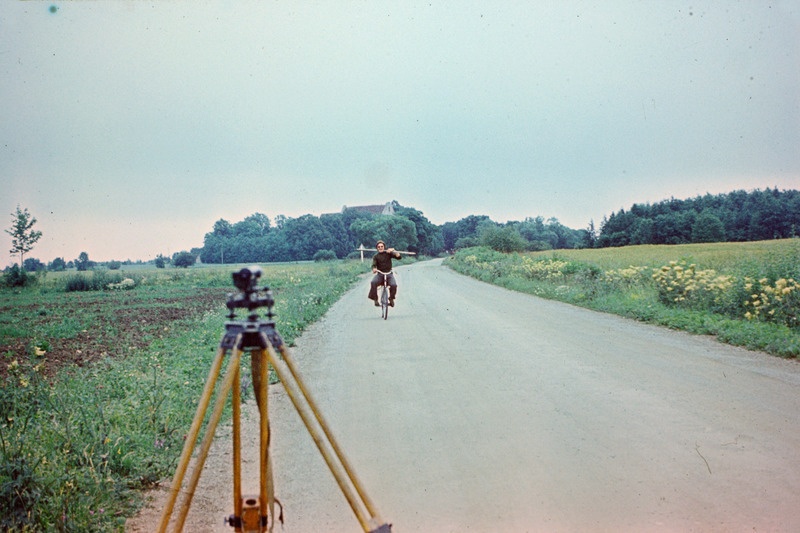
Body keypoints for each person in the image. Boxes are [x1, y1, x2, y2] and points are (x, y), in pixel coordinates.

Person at [368, 240, 401, 306]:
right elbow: (374, 265)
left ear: (384, 247)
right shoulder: (376, 256)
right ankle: (375, 299)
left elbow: (398, 257)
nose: (380, 248)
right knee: (373, 282)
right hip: (380, 274)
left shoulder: (388, 253)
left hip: (389, 274)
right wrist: (374, 269)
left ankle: (391, 298)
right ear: (377, 248)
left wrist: (393, 250)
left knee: (394, 285)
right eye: (378, 247)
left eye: (382, 246)